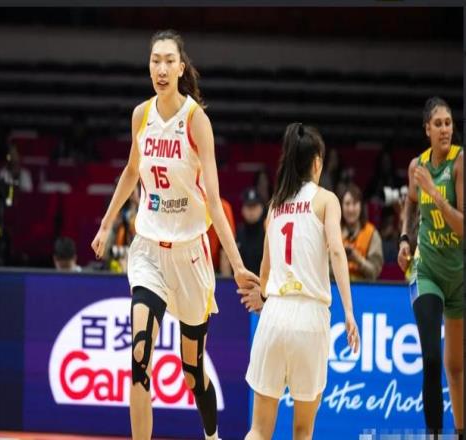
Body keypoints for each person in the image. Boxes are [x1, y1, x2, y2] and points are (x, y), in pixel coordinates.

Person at [91, 29, 258, 440]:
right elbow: (131, 171)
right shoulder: (141, 115)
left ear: (181, 68)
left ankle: (212, 436)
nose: (161, 69)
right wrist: (107, 223)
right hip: (149, 249)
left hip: (190, 255)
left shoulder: (197, 121)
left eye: (169, 61)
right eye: (155, 61)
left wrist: (237, 266)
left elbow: (214, 201)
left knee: (192, 370)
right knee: (139, 356)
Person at [240, 123, 359, 440]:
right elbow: (337, 251)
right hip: (310, 317)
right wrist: (349, 311)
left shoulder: (274, 207)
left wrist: (263, 296)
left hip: (274, 315)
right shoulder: (327, 200)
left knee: (258, 429)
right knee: (303, 432)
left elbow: (265, 272)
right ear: (317, 162)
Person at [397, 97, 463, 435]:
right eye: (438, 124)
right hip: (427, 270)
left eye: (448, 123)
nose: (445, 129)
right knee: (432, 358)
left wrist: (436, 193)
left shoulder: (460, 162)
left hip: (459, 273)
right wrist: (405, 239)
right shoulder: (417, 166)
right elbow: (410, 204)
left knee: (456, 367)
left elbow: (462, 226)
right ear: (427, 129)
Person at [340, 183, 383, 281]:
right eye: (347, 204)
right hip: (336, 286)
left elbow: (374, 273)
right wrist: (339, 258)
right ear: (341, 206)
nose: (351, 209)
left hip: (364, 287)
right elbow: (323, 269)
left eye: (354, 204)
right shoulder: (333, 232)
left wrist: (358, 260)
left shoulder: (372, 234)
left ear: (361, 206)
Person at [236, 187, 266, 275]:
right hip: (242, 281)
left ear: (261, 208)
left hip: (264, 280)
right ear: (243, 210)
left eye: (254, 207)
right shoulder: (238, 232)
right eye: (248, 207)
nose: (251, 211)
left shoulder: (268, 230)